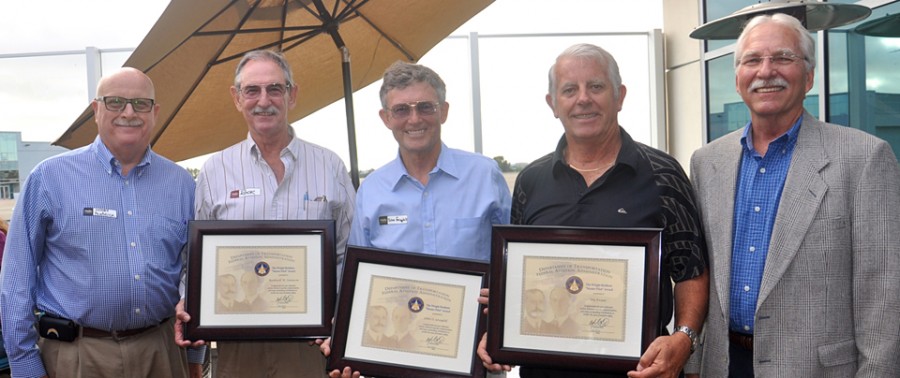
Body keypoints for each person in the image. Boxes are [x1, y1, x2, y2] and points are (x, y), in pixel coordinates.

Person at [685, 14, 900, 378]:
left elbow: (883, 292)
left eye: (783, 57)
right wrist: (692, 362)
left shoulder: (865, 157)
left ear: (810, 76)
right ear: (738, 79)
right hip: (724, 366)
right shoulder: (707, 162)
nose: (766, 71)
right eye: (752, 60)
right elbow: (699, 272)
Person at [477, 43, 709, 378]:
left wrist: (683, 338)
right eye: (569, 90)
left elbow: (691, 271)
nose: (583, 99)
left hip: (637, 371)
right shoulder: (531, 180)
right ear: (553, 104)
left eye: (596, 86)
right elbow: (521, 277)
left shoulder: (663, 174)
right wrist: (499, 332)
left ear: (620, 96)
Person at [0, 67, 195, 377]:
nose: (129, 112)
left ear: (155, 112)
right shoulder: (49, 178)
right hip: (76, 356)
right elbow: (16, 278)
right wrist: (24, 364)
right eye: (115, 102)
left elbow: (193, 272)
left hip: (161, 353)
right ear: (96, 109)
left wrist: (194, 354)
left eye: (141, 103)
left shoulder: (183, 185)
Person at [322, 61, 511, 378]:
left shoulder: (485, 175)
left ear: (444, 111)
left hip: (475, 353)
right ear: (386, 118)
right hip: (394, 359)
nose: (414, 119)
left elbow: (512, 264)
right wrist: (346, 344)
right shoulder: (371, 191)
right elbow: (355, 287)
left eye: (425, 107)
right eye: (401, 110)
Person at [174, 49, 355, 378]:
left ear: (292, 94)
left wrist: (336, 313)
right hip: (238, 343)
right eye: (251, 90)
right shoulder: (216, 170)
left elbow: (348, 250)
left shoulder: (329, 165)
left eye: (275, 89)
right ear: (236, 98)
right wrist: (191, 305)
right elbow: (195, 259)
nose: (263, 100)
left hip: (312, 344)